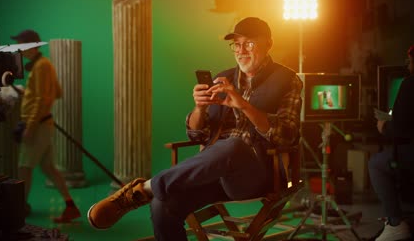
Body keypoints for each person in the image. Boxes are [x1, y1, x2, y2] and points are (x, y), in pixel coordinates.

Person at [87, 17, 303, 240]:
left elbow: (287, 135)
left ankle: (144, 190)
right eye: (236, 44)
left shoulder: (288, 79)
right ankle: (151, 192)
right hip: (213, 173)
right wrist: (199, 108)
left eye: (249, 43)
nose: (241, 51)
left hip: (255, 174)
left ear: (268, 44)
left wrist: (244, 105)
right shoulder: (223, 77)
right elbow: (196, 134)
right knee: (164, 203)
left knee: (234, 146)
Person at [12, 29, 81, 223]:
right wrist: (29, 92)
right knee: (49, 168)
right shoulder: (44, 64)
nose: (20, 49)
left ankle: (20, 208)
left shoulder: (41, 66)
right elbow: (56, 92)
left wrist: (31, 126)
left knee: (24, 168)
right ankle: (70, 206)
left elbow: (44, 98)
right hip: (44, 123)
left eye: (22, 45)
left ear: (32, 46)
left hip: (37, 125)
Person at [369, 45, 414, 241]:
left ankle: (395, 223)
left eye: (410, 61)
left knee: (376, 164)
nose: (408, 64)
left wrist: (383, 126)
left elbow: (400, 130)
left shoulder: (409, 84)